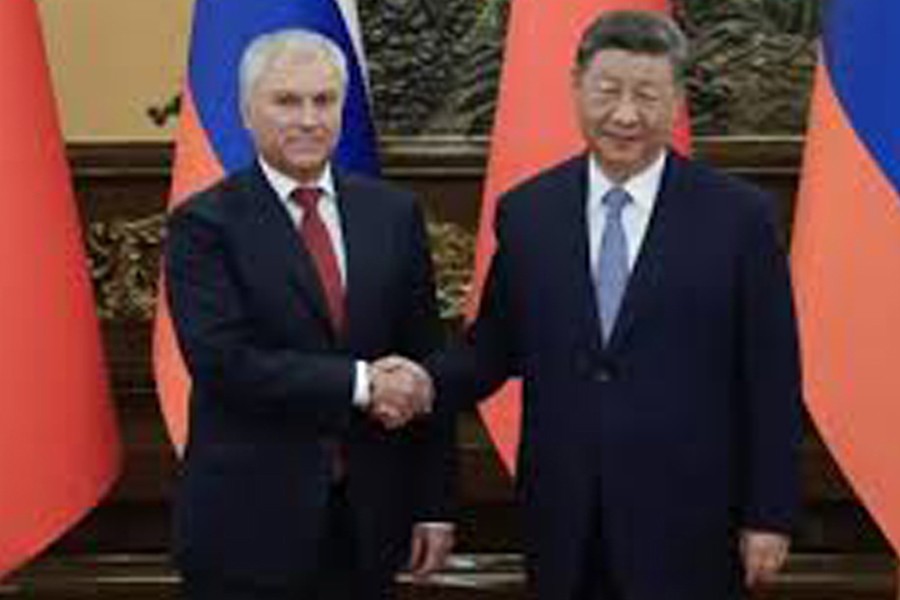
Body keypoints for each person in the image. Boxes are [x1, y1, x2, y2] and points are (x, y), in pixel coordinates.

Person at [423, 10, 802, 600]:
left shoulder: (739, 219)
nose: (625, 115)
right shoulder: (529, 212)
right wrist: (411, 382)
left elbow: (772, 378)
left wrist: (770, 514)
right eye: (608, 91)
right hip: (565, 523)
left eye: (647, 95)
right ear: (577, 87)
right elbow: (491, 349)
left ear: (677, 99)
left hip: (692, 525)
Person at [164, 28, 454, 600]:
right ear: (247, 112)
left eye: (323, 101)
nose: (308, 119)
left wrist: (434, 505)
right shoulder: (204, 224)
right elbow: (224, 363)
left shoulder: (393, 214)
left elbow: (424, 360)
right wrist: (362, 383)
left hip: (368, 524)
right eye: (287, 101)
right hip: (248, 527)